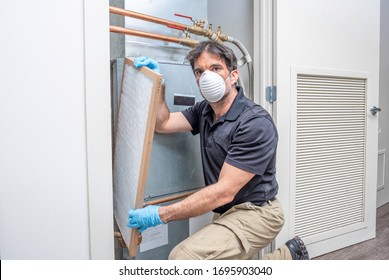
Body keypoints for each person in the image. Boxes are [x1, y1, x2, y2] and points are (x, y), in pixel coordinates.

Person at [127, 40, 309, 260]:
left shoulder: (254, 122)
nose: (207, 77)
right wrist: (158, 85)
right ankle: (291, 255)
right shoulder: (205, 110)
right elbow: (163, 123)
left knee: (183, 258)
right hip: (226, 211)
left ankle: (285, 259)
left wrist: (160, 214)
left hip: (258, 212)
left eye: (215, 68)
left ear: (233, 75)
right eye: (200, 71)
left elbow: (224, 190)